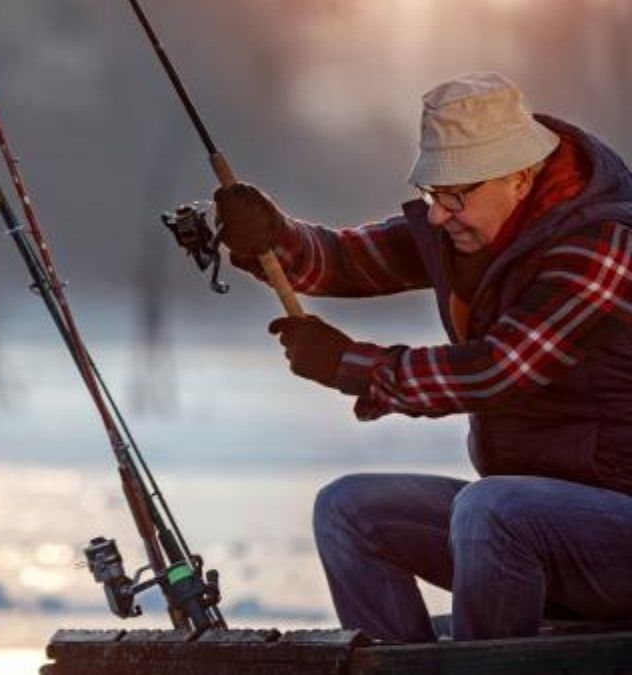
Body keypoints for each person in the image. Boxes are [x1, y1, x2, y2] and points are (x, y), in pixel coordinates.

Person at [210, 72, 632, 642]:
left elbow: (500, 370)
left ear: (520, 177)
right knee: (348, 509)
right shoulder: (469, 230)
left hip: (614, 535)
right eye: (435, 193)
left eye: (456, 194)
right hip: (524, 523)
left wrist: (351, 365)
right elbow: (339, 260)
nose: (438, 214)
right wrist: (270, 235)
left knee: (492, 509)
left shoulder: (604, 242)